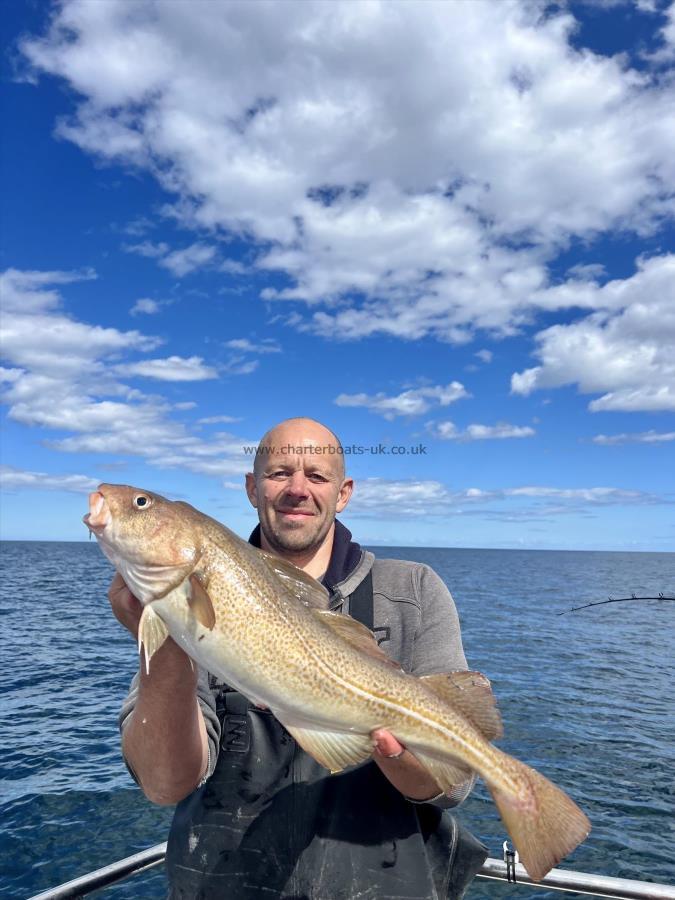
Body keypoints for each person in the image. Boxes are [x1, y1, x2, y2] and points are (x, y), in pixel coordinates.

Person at [110, 417, 487, 899]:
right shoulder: (195, 596)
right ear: (251, 487)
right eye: (278, 472)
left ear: (344, 491)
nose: (296, 489)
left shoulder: (412, 590)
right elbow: (164, 785)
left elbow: (453, 783)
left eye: (317, 475)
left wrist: (371, 730)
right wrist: (164, 646)